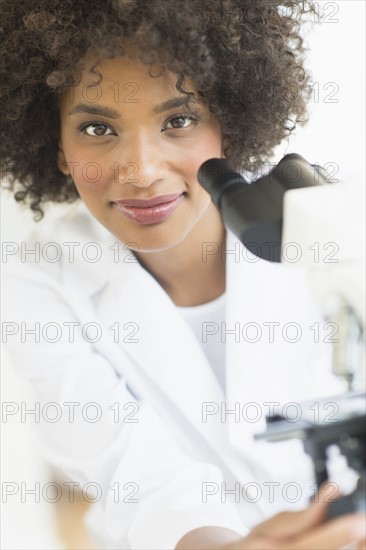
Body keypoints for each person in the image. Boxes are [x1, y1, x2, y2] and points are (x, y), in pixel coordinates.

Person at [1, 1, 365, 548]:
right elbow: (136, 477)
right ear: (58, 147)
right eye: (98, 127)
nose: (142, 171)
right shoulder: (35, 282)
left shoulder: (326, 219)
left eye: (179, 120)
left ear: (230, 124)